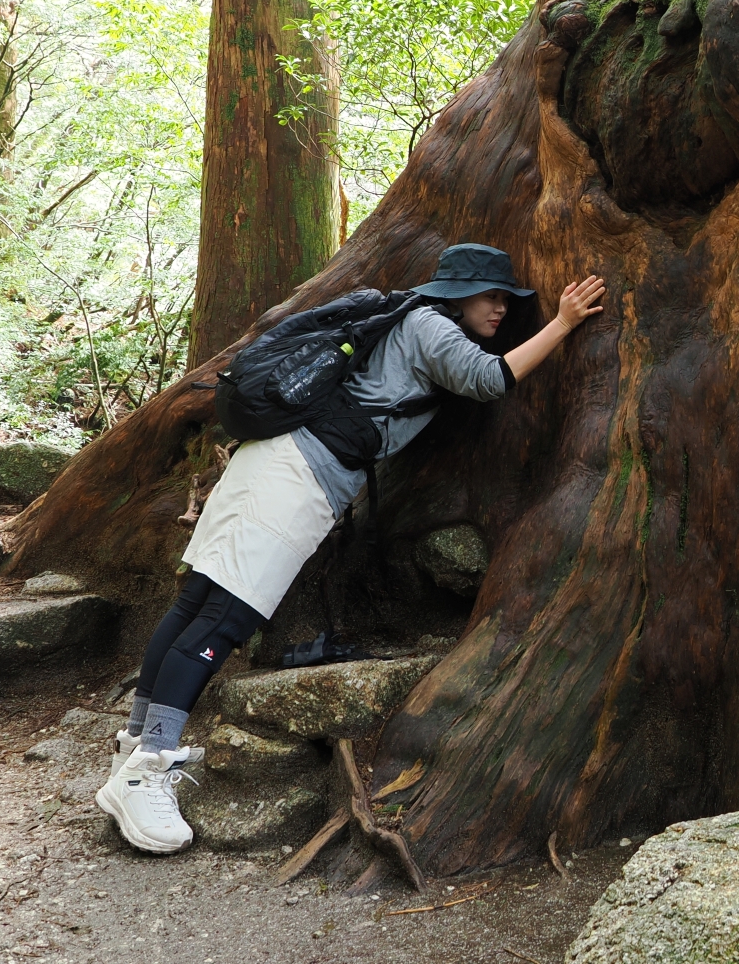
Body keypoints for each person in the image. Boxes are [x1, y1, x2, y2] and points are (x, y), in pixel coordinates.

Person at [95, 244, 606, 855]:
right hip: (297, 476)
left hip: (273, 461)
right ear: (457, 292)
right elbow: (488, 379)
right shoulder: (429, 325)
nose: (500, 308)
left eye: (505, 299)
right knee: (222, 620)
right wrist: (564, 322)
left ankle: (137, 751)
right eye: (490, 295)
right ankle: (148, 769)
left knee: (197, 604)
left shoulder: (407, 317)